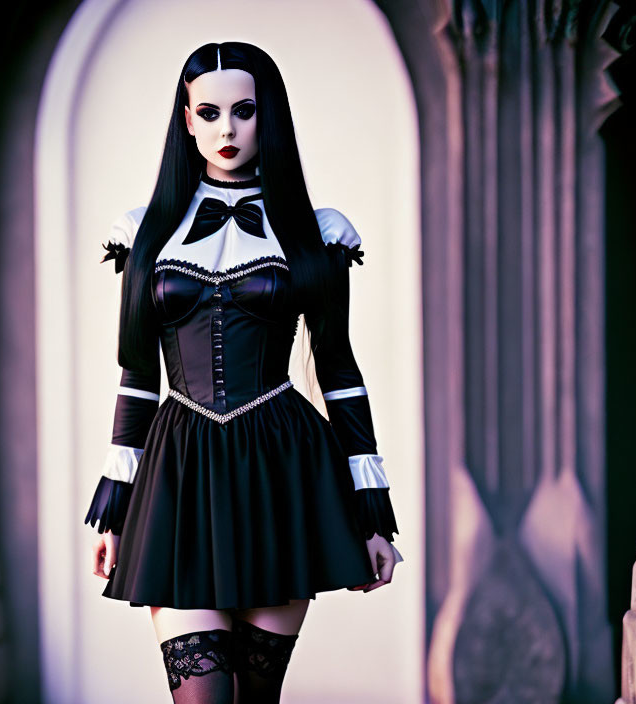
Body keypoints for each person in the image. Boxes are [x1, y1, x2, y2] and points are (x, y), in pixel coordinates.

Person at [84, 41, 404, 703]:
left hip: (283, 469)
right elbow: (137, 376)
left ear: (269, 117)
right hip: (181, 472)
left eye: (244, 110)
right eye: (210, 111)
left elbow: (339, 371)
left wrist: (373, 514)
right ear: (187, 119)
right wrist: (114, 512)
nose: (227, 128)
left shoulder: (315, 234)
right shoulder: (146, 234)